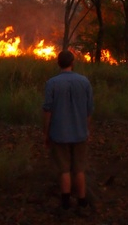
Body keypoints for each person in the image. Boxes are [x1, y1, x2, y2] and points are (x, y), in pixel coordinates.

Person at [42, 50, 95, 217]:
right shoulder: (84, 82)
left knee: (64, 170)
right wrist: (87, 130)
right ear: (72, 63)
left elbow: (48, 111)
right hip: (79, 133)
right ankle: (82, 204)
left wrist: (46, 133)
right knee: (79, 169)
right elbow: (89, 111)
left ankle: (65, 207)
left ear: (59, 63)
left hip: (59, 134)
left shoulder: (52, 83)